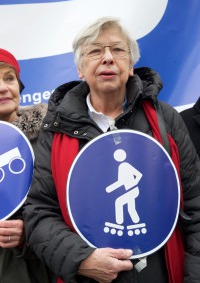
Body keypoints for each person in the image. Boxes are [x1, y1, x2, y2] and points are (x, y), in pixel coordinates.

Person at [23, 17, 200, 283]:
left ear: (130, 66)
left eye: (118, 49)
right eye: (94, 51)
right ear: (80, 69)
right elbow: (39, 213)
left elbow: (196, 207)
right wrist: (81, 259)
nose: (107, 58)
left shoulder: (165, 119)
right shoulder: (57, 128)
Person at [0, 48, 53, 282]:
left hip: (41, 267)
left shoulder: (48, 138)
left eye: (9, 78)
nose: (3, 87)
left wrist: (29, 232)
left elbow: (62, 206)